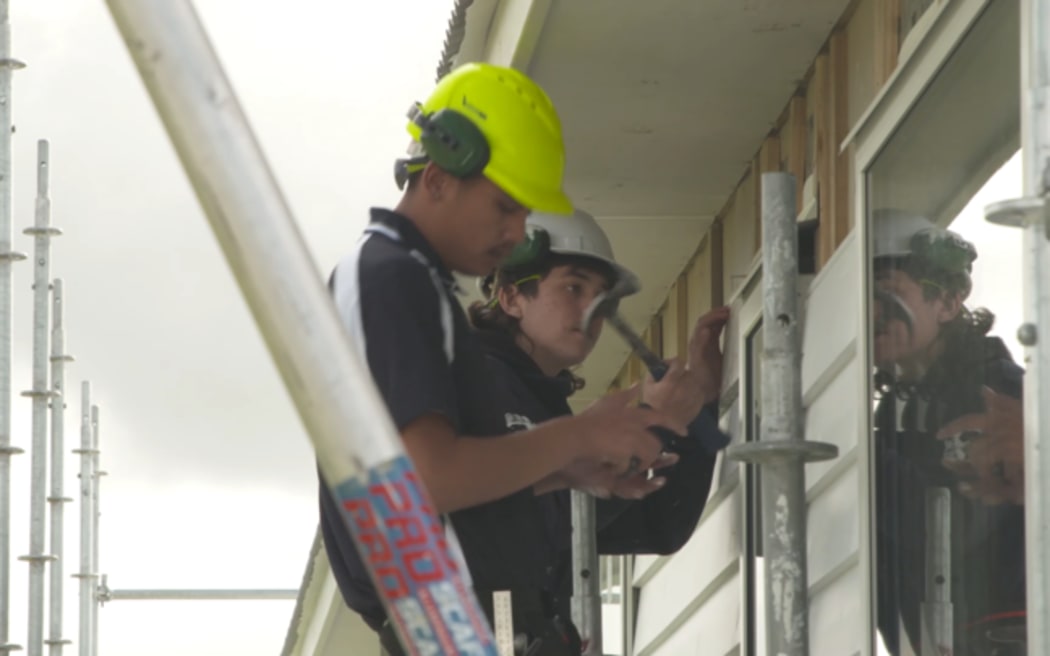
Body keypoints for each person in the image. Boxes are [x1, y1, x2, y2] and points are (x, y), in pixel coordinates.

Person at [317, 62, 685, 655]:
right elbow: (423, 482)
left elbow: (450, 498)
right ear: (439, 178)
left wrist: (564, 472)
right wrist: (577, 436)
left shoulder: (415, 283)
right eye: (504, 207)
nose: (515, 234)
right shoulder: (388, 277)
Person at [467, 207, 731, 635]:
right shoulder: (474, 384)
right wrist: (653, 421)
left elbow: (656, 526)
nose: (592, 310)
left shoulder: (543, 407)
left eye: (603, 298)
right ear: (512, 298)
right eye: (574, 287)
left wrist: (692, 412)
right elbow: (534, 521)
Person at [871, 209, 1026, 656]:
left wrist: (859, 453)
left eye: (887, 292)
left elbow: (954, 529)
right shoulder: (898, 411)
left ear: (948, 302)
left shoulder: (995, 395)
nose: (872, 312)